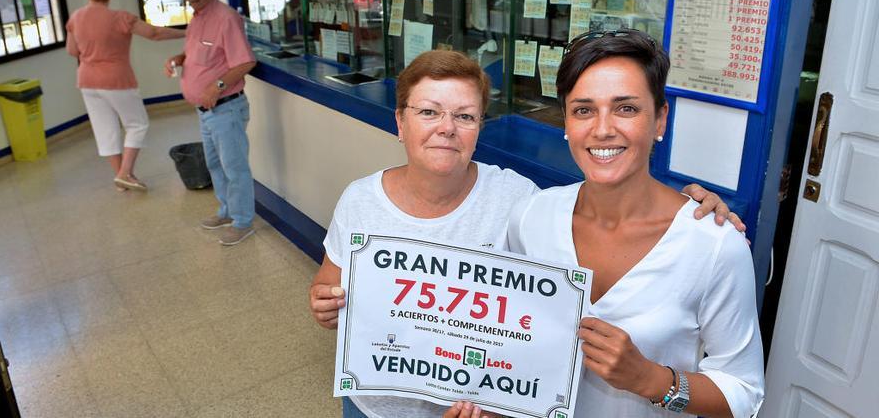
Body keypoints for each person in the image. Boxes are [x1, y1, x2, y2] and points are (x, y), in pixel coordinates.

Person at [308, 50, 743, 418]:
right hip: (373, 403)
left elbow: (535, 316)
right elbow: (331, 281)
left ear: (481, 127)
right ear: (400, 123)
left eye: (465, 116)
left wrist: (692, 210)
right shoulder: (361, 198)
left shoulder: (522, 203)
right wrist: (327, 302)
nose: (446, 128)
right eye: (428, 112)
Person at [507, 30, 764, 417]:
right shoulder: (531, 217)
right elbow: (508, 334)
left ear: (660, 119)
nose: (603, 128)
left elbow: (744, 392)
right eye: (583, 109)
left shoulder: (713, 244)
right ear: (566, 121)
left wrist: (650, 379)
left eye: (625, 108)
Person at [164, 0, 258, 246]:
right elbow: (204, 52)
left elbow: (245, 61)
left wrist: (216, 87)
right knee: (215, 164)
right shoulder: (197, 18)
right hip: (205, 112)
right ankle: (227, 211)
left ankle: (243, 222)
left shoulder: (225, 18)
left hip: (226, 108)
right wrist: (181, 58)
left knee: (234, 167)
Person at [65, 0, 186, 191]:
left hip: (87, 81)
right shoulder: (120, 18)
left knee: (105, 130)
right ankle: (124, 173)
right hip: (116, 79)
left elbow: (72, 50)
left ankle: (122, 180)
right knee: (137, 124)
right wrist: (187, 32)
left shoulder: (76, 17)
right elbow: (155, 34)